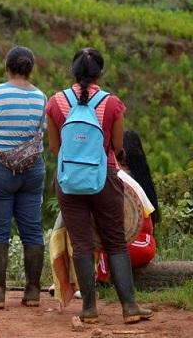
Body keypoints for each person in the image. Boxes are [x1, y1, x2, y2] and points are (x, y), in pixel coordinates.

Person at [46, 48, 151, 324]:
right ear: (99, 74)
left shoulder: (55, 103)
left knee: (81, 244)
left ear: (73, 71)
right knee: (115, 242)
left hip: (68, 182)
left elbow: (55, 147)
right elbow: (116, 147)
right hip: (104, 179)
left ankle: (89, 309)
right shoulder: (112, 103)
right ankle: (129, 307)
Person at [0, 46, 46, 309]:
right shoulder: (40, 97)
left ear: (7, 67)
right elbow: (41, 131)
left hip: (0, 170)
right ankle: (33, 291)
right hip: (33, 170)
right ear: (30, 69)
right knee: (32, 229)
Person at [97, 131, 159, 282]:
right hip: (128, 241)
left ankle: (99, 281)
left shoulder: (126, 181)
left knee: (104, 245)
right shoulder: (119, 177)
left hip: (140, 242)